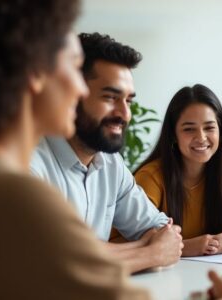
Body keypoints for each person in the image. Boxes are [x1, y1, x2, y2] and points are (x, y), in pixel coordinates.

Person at [0, 1, 222, 298]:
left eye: (128, 100)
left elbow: (162, 235)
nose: (80, 89)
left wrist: (109, 254)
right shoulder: (18, 192)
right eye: (72, 66)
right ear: (36, 72)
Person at [30, 32, 183, 273]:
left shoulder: (111, 164)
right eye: (110, 97)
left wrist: (145, 248)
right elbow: (54, 259)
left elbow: (162, 230)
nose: (124, 114)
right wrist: (150, 253)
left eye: (128, 101)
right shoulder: (30, 163)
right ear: (73, 95)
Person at [134, 84, 222, 256]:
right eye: (189, 129)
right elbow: (130, 241)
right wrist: (186, 247)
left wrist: (217, 246)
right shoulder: (151, 177)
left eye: (209, 127)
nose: (201, 138)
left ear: (220, 132)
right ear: (173, 134)